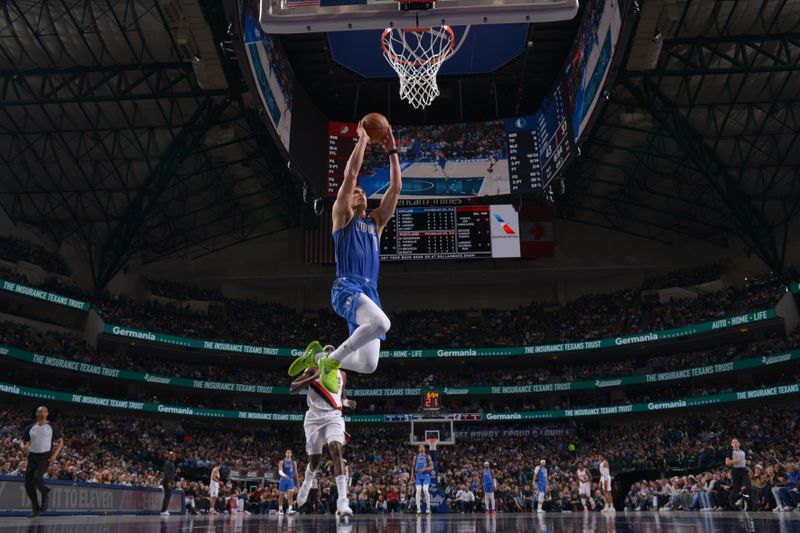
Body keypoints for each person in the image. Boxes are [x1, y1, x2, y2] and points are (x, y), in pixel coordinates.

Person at [289, 119, 402, 393]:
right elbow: (350, 175)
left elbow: (396, 189)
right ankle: (330, 363)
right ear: (347, 201)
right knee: (382, 322)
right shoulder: (343, 217)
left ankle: (317, 357)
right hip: (347, 287)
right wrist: (362, 138)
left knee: (368, 364)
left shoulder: (376, 223)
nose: (361, 194)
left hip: (369, 293)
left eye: (364, 193)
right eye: (356, 193)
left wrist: (392, 151)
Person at [291, 365, 356, 518]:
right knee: (315, 462)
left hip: (334, 417)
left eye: (332, 351)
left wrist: (347, 403)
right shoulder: (313, 369)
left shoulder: (343, 374)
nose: (329, 353)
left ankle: (343, 501)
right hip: (314, 419)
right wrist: (312, 377)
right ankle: (306, 485)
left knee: (336, 450)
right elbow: (293, 388)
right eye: (326, 350)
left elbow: (341, 397)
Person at [21, 406, 63, 517]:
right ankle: (35, 508)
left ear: (47, 413)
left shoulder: (52, 426)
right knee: (28, 484)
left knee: (37, 478)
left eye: (44, 411)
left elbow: (61, 442)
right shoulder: (31, 427)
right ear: (36, 413)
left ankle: (45, 494)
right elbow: (23, 441)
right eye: (40, 411)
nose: (42, 413)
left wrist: (54, 455)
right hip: (32, 456)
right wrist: (24, 446)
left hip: (45, 457)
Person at [725, 438, 753, 510]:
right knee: (736, 488)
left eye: (736, 441)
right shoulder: (730, 451)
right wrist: (736, 460)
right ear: (731, 444)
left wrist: (748, 461)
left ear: (739, 443)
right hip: (735, 470)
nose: (735, 443)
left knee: (749, 486)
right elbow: (727, 462)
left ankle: (753, 503)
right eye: (733, 442)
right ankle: (732, 501)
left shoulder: (743, 451)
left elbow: (748, 461)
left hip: (743, 470)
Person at [413, 445, 434, 515]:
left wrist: (424, 469)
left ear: (424, 449)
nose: (421, 448)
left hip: (426, 476)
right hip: (418, 476)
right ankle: (418, 508)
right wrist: (411, 476)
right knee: (418, 490)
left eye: (423, 447)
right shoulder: (415, 457)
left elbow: (431, 467)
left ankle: (428, 508)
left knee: (425, 490)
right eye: (420, 447)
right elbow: (413, 467)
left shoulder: (427, 457)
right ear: (419, 449)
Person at [277, 449, 299, 515]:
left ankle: (290, 509)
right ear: (285, 454)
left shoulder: (294, 462)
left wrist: (297, 483)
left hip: (291, 480)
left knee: (290, 495)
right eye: (287, 452)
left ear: (291, 454)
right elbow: (280, 471)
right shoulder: (282, 462)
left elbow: (296, 472)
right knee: (281, 495)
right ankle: (280, 509)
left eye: (290, 452)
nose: (288, 453)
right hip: (283, 480)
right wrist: (284, 475)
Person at [160, 451, 176, 516]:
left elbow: (172, 474)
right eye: (173, 456)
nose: (174, 457)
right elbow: (166, 473)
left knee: (168, 496)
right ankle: (163, 510)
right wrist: (169, 482)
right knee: (167, 496)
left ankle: (164, 510)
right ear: (171, 456)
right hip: (167, 482)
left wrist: (172, 481)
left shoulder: (172, 463)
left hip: (170, 482)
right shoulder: (167, 463)